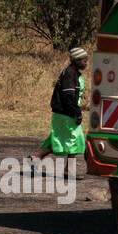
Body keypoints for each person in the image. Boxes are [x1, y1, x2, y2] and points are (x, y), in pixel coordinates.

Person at [31, 47, 88, 176]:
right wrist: (77, 112)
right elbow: (68, 97)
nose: (86, 62)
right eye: (83, 59)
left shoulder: (72, 73)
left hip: (64, 112)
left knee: (61, 138)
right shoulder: (70, 74)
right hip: (66, 112)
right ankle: (68, 170)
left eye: (86, 59)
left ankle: (37, 159)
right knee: (74, 138)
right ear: (76, 60)